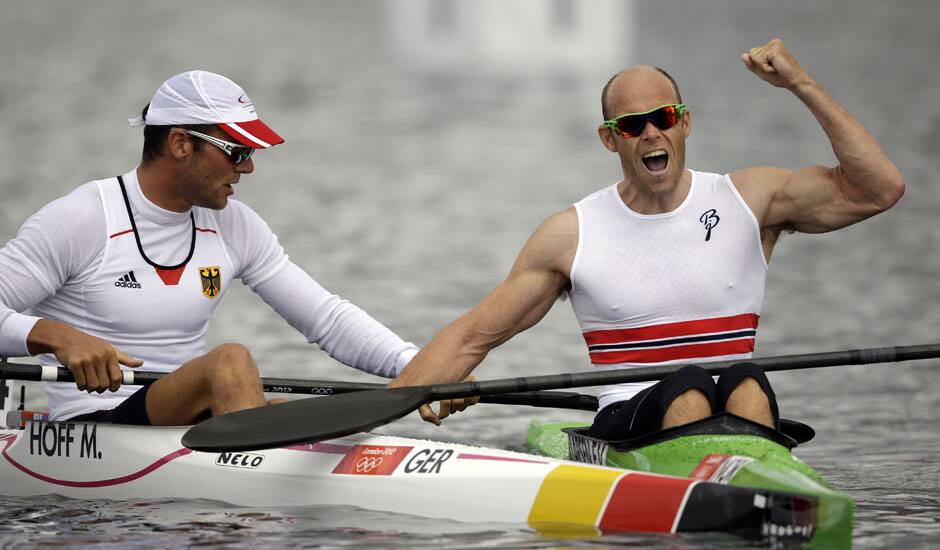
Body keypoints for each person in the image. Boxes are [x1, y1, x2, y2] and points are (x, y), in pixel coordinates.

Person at [390, 38, 904, 440]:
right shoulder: (570, 235)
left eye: (662, 118)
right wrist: (401, 398)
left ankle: (746, 489)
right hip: (627, 419)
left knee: (745, 379)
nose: (651, 134)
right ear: (609, 139)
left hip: (736, 406)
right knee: (691, 385)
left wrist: (801, 84)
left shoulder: (750, 199)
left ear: (684, 123)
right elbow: (473, 336)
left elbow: (879, 189)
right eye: (633, 125)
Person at [0, 70, 421, 425]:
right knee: (229, 361)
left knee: (314, 420)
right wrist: (50, 335)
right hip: (95, 424)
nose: (249, 166)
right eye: (237, 151)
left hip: (182, 416)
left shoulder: (235, 225)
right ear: (181, 143)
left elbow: (326, 318)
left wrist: (419, 366)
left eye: (251, 151)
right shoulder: (82, 220)